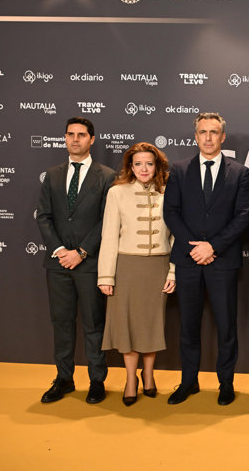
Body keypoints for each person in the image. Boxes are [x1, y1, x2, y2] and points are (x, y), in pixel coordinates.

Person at [163, 112, 249, 406]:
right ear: (196, 136)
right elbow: (171, 212)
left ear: (223, 137)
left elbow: (243, 216)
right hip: (188, 260)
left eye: (214, 132)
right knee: (188, 325)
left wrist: (212, 247)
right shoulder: (179, 170)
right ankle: (188, 381)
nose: (208, 137)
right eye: (203, 132)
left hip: (222, 261)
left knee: (226, 326)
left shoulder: (239, 172)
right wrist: (194, 248)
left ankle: (226, 383)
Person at [36, 117, 115, 404]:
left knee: (94, 324)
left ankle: (97, 380)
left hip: (90, 264)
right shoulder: (52, 175)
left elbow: (107, 220)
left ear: (91, 139)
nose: (75, 139)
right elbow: (44, 217)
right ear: (65, 138)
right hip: (58, 265)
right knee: (62, 323)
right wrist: (60, 251)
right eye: (70, 134)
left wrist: (81, 252)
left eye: (81, 135)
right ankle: (64, 379)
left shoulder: (107, 176)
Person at [97, 142, 176, 406]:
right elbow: (109, 236)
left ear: (157, 166)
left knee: (152, 324)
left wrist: (173, 271)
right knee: (127, 325)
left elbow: (176, 237)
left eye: (149, 164)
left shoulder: (169, 192)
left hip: (158, 267)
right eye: (138, 164)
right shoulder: (116, 193)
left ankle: (148, 374)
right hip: (126, 268)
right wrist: (106, 276)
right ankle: (131, 378)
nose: (144, 169)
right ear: (130, 167)